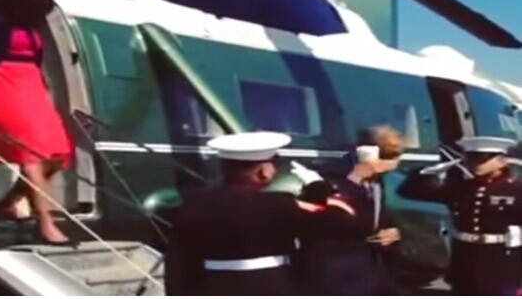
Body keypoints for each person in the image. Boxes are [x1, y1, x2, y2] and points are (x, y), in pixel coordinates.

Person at [164, 131, 368, 295]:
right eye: (274, 164)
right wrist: (319, 187)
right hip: (272, 285)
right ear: (263, 172)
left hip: (211, 287)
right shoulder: (278, 204)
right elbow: (345, 221)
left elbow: (177, 264)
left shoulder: (193, 205)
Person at [0, 0, 74, 243]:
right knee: (31, 154)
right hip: (0, 84)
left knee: (57, 153)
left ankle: (9, 202)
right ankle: (46, 224)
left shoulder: (29, 26)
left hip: (31, 88)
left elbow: (36, 61)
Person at [398, 135, 522, 296]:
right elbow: (407, 192)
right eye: (471, 158)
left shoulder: (516, 190)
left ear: (501, 161)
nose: (475, 164)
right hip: (464, 265)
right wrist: (424, 172)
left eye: (482, 159)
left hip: (501, 266)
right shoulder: (460, 188)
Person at [294, 125, 405, 295]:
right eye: (391, 156)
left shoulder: (377, 180)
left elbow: (378, 216)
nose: (397, 162)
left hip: (371, 270)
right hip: (337, 274)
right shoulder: (327, 178)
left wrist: (392, 233)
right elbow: (330, 223)